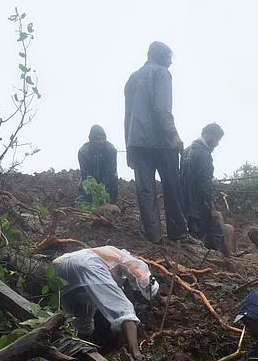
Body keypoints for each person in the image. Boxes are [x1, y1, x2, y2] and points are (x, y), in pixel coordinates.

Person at [124, 41, 187, 243]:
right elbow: (162, 108)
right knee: (172, 186)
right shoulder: (162, 73)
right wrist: (174, 135)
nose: (170, 62)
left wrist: (129, 147)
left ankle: (153, 238)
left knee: (145, 190)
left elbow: (128, 116)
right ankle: (178, 234)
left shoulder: (132, 78)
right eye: (168, 57)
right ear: (160, 56)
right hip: (161, 141)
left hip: (137, 143)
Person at [53, 246, 159, 361]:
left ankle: (82, 352)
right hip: (86, 263)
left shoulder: (111, 252)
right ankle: (136, 354)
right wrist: (154, 293)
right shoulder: (128, 261)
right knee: (124, 308)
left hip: (59, 265)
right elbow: (144, 280)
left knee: (81, 316)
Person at [180, 123, 226, 251]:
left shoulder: (186, 152)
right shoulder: (204, 154)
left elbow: (181, 177)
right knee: (217, 235)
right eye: (217, 140)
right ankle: (221, 264)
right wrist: (212, 208)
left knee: (196, 240)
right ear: (209, 135)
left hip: (187, 208)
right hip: (200, 208)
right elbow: (205, 183)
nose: (217, 144)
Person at [77, 125, 119, 206]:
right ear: (91, 139)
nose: (101, 141)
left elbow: (110, 175)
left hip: (108, 188)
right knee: (82, 205)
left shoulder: (111, 150)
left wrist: (101, 195)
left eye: (103, 138)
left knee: (110, 209)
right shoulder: (83, 152)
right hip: (88, 188)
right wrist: (93, 193)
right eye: (98, 139)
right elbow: (86, 175)